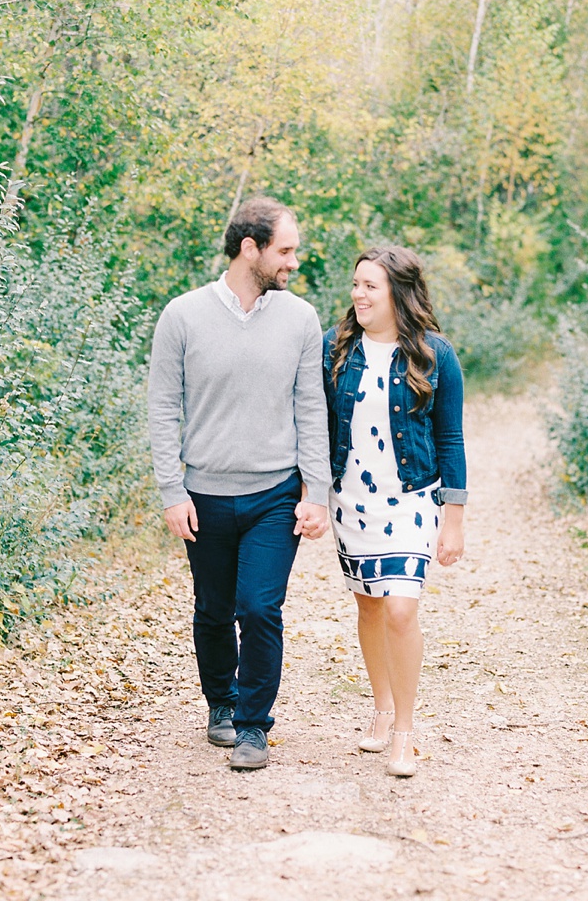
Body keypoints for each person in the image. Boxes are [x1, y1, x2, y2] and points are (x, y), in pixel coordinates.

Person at [148, 195, 330, 771]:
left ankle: (253, 725)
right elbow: (161, 409)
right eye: (285, 250)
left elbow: (311, 409)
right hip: (204, 495)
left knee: (259, 608)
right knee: (213, 609)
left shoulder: (300, 319)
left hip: (275, 493)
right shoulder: (182, 315)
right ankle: (220, 706)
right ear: (250, 248)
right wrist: (171, 491)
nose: (293, 262)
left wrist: (316, 493)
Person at [323, 246, 467, 777]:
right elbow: (316, 427)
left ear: (398, 294)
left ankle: (404, 732)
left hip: (412, 500)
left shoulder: (435, 355)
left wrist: (454, 518)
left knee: (402, 609)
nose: (358, 294)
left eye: (370, 286)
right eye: (356, 284)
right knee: (369, 607)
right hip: (352, 501)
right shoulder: (335, 350)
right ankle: (381, 708)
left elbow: (450, 438)